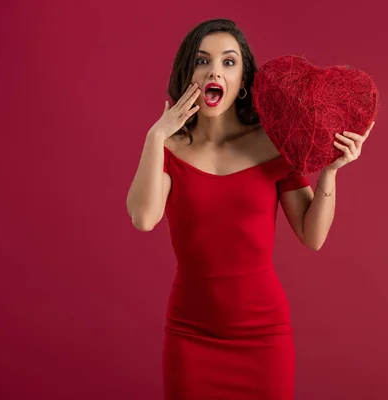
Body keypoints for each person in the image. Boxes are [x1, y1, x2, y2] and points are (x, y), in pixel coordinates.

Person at [126, 18, 374, 400]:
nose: (214, 70)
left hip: (263, 337)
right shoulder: (168, 149)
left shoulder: (273, 145)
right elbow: (144, 219)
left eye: (228, 62)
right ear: (187, 72)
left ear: (243, 81)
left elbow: (313, 237)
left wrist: (330, 172)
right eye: (202, 61)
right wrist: (155, 135)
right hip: (190, 335)